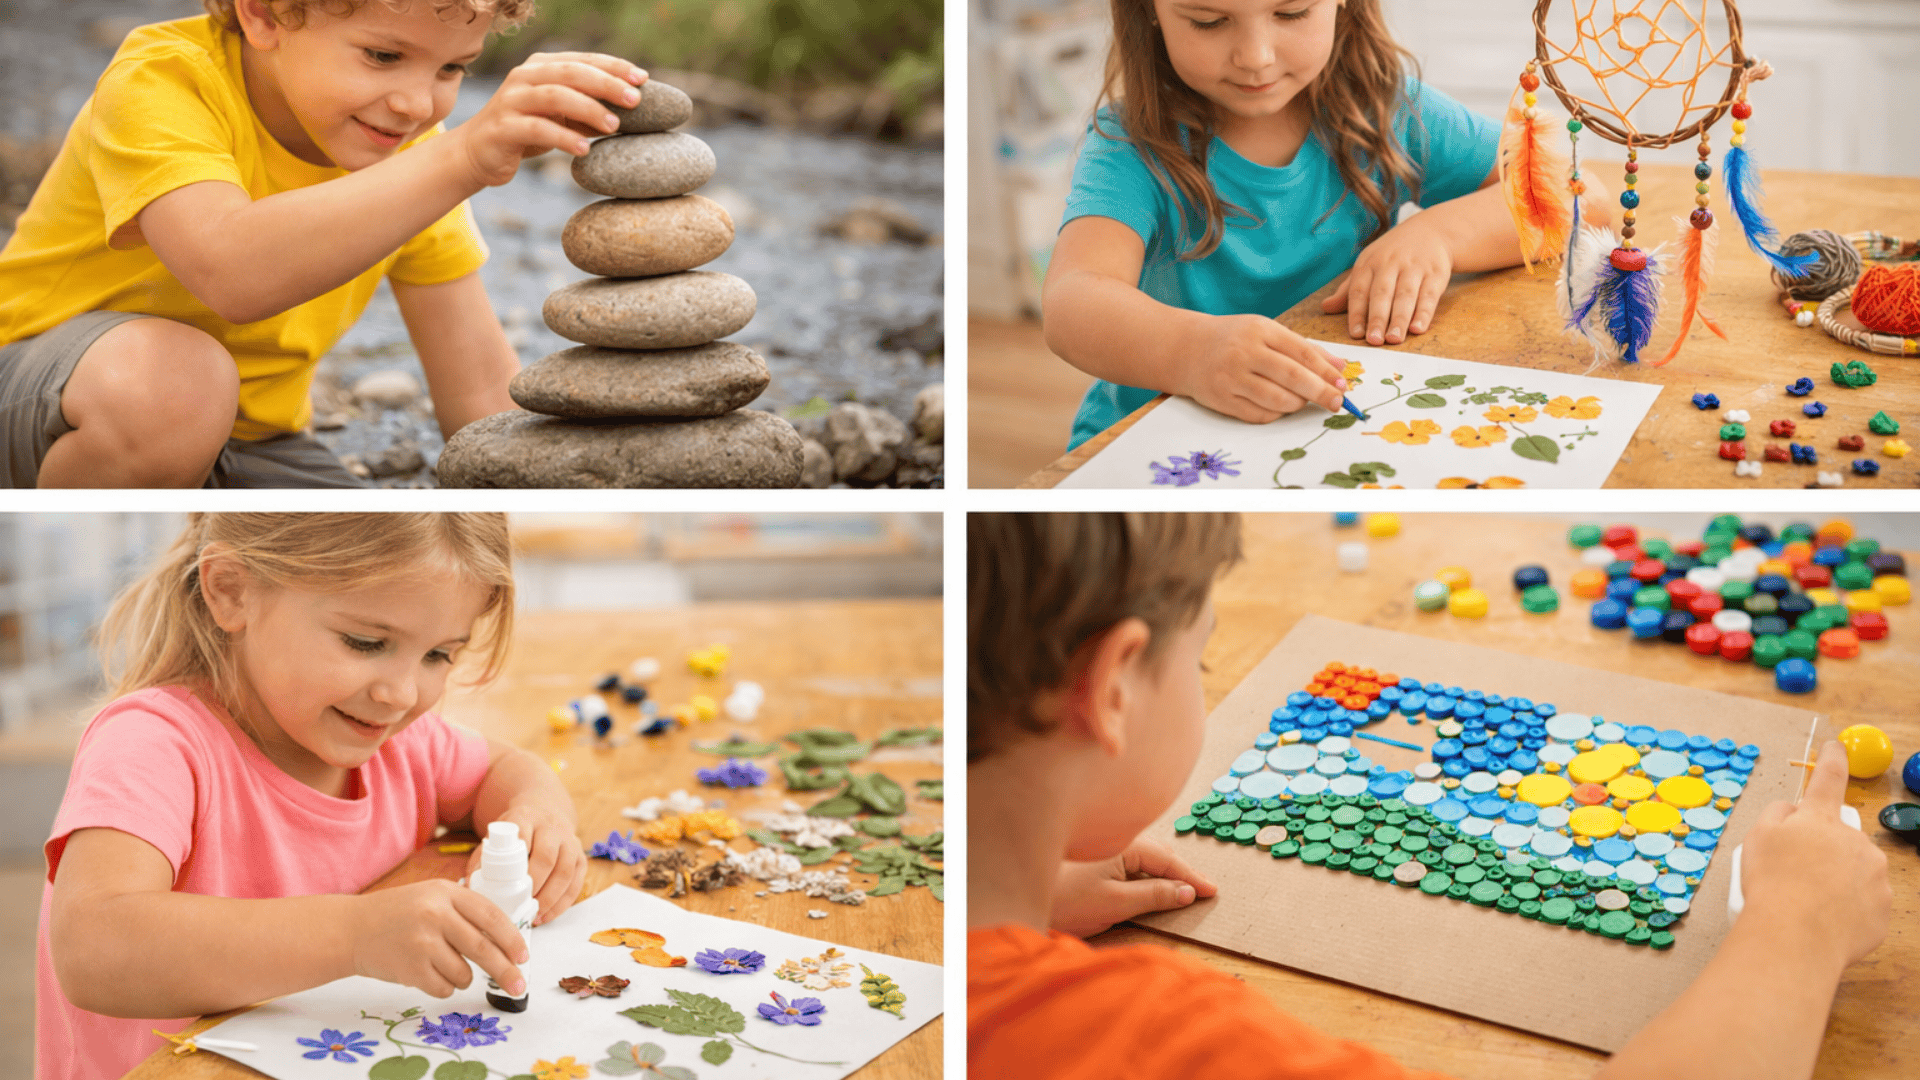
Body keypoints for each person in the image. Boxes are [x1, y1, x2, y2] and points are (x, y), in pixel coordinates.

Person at [969, 512, 1891, 1079]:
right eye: (1203, 656)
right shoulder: (1151, 1041)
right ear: (1117, 689)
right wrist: (1799, 925)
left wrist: (1019, 903)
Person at [0, 0, 644, 487]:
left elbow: (477, 386)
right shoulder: (165, 82)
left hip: (251, 439)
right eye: (383, 56)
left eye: (452, 67)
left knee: (371, 548)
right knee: (175, 387)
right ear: (266, 13)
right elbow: (230, 272)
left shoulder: (414, 154)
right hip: (51, 401)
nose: (416, 103)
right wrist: (463, 158)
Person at [38, 513, 587, 1080]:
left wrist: (539, 815)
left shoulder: (400, 743)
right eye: (366, 642)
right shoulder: (153, 743)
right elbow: (92, 950)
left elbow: (505, 769)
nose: (400, 694)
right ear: (232, 591)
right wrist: (356, 935)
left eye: (438, 656)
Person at [1041, 0, 1609, 451]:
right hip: (1147, 443)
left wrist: (1436, 235)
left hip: (1326, 427)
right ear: (1149, 12)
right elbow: (1071, 302)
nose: (1256, 56)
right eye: (1209, 21)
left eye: (1291, 13)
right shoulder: (1130, 144)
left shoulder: (1384, 106)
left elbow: (1585, 196)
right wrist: (1191, 354)